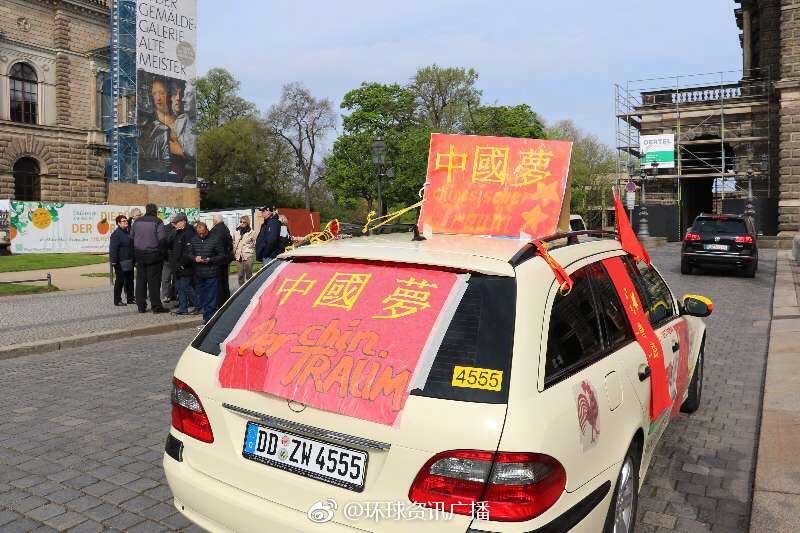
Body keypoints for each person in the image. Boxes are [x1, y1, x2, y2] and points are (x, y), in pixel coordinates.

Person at [130, 203, 168, 313]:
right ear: (155, 210)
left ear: (146, 210)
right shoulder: (158, 221)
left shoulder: (137, 221)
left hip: (139, 255)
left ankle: (141, 306)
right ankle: (156, 306)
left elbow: (131, 238)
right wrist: (163, 254)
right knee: (154, 282)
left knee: (141, 281)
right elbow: (162, 240)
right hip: (154, 255)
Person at [189, 221, 227, 324]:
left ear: (206, 230)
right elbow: (189, 253)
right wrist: (194, 258)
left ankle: (209, 320)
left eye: (203, 233)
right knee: (202, 297)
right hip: (199, 273)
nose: (201, 235)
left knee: (211, 297)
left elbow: (222, 255)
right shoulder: (193, 239)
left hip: (212, 272)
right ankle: (207, 317)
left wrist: (210, 259)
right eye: (199, 233)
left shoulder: (215, 239)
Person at [139, 78, 173, 174]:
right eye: (154, 94)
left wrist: (146, 165)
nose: (158, 98)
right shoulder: (130, 132)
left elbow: (167, 163)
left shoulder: (162, 130)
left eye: (162, 93)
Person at [170, 213, 198, 315]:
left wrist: (183, 264)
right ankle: (183, 308)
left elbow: (188, 251)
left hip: (185, 265)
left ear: (183, 222)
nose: (174, 224)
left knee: (186, 287)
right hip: (177, 265)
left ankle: (199, 305)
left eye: (176, 222)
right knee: (179, 287)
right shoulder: (177, 232)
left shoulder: (189, 233)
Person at [109, 214, 134, 306]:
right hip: (120, 261)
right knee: (120, 281)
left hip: (129, 260)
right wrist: (114, 261)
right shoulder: (116, 234)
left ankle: (130, 298)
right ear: (118, 223)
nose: (126, 222)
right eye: (123, 221)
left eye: (126, 221)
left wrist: (130, 219)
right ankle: (117, 300)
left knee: (129, 280)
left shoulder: (127, 231)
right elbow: (113, 249)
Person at [210, 214, 234, 305]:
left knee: (219, 282)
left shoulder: (215, 230)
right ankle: (226, 300)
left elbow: (212, 244)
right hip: (225, 258)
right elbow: (230, 243)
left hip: (219, 259)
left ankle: (220, 302)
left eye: (213, 219)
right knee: (225, 281)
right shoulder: (225, 228)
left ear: (215, 220)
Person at [233, 214, 256, 286]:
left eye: (244, 222)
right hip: (238, 256)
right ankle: (241, 291)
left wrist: (249, 249)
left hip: (248, 256)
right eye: (241, 222)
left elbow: (255, 243)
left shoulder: (252, 232)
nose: (242, 223)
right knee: (240, 276)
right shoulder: (236, 231)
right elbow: (233, 242)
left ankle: (249, 291)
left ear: (247, 223)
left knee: (249, 276)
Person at [161, 215, 177, 303]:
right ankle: (165, 295)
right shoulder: (165, 228)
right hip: (167, 257)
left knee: (176, 278)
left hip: (176, 258)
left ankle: (174, 294)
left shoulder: (180, 229)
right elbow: (164, 242)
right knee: (166, 278)